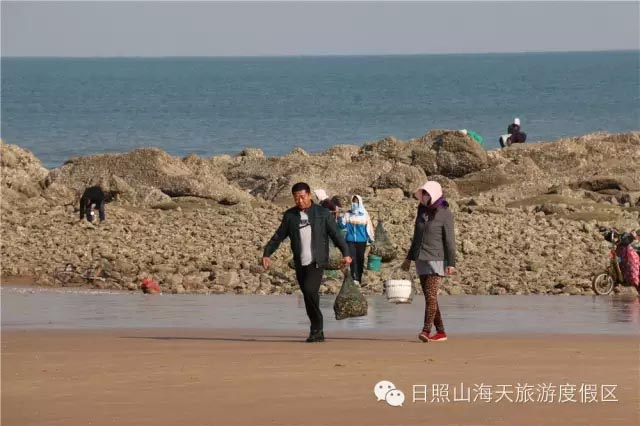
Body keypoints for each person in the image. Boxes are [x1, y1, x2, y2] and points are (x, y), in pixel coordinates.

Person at [262, 182, 352, 342]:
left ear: (309, 195)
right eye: (296, 198)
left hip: (317, 261)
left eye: (302, 197)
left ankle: (317, 327)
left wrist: (346, 253)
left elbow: (336, 234)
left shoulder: (322, 213)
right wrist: (267, 253)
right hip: (300, 262)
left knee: (310, 291)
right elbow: (278, 236)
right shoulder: (290, 216)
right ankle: (317, 331)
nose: (300, 200)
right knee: (308, 296)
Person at [402, 181, 456, 343]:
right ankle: (441, 332)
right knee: (429, 297)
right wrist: (409, 259)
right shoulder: (421, 211)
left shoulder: (445, 213)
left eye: (428, 193)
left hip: (437, 259)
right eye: (423, 193)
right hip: (421, 259)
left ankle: (426, 330)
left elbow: (450, 241)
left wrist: (451, 263)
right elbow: (416, 237)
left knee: (431, 296)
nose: (425, 196)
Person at [338, 195, 375, 286]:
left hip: (361, 241)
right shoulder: (348, 214)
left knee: (360, 259)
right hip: (350, 240)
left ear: (360, 203)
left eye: (356, 202)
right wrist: (340, 218)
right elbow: (342, 226)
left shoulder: (364, 215)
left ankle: (359, 277)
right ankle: (354, 278)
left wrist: (371, 238)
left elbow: (369, 227)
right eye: (353, 202)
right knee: (352, 259)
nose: (354, 204)